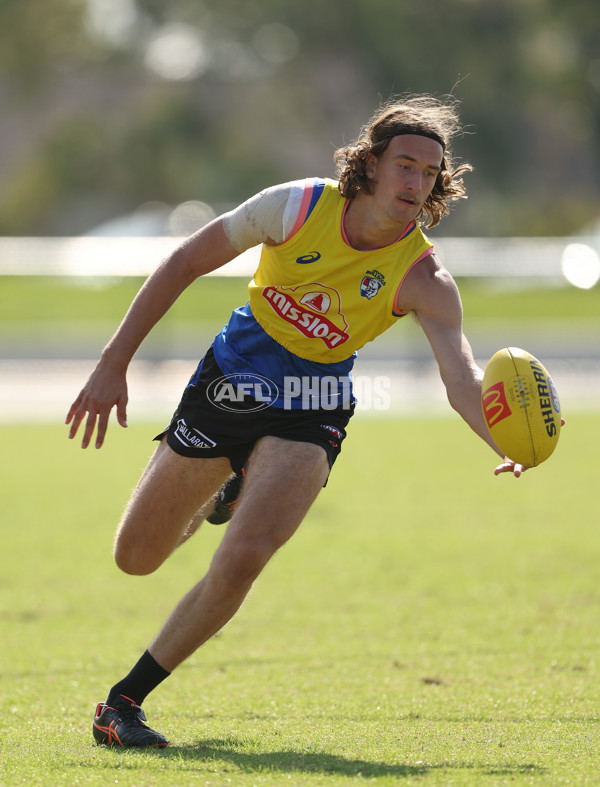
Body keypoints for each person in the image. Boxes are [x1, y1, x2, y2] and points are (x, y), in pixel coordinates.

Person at [66, 95, 527, 748]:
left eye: (429, 173)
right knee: (136, 556)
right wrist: (114, 364)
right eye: (405, 164)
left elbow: (463, 379)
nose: (416, 181)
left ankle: (125, 699)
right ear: (369, 164)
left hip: (315, 401)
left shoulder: (426, 277)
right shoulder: (298, 206)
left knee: (246, 555)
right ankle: (230, 482)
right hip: (231, 377)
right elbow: (185, 262)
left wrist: (505, 437)